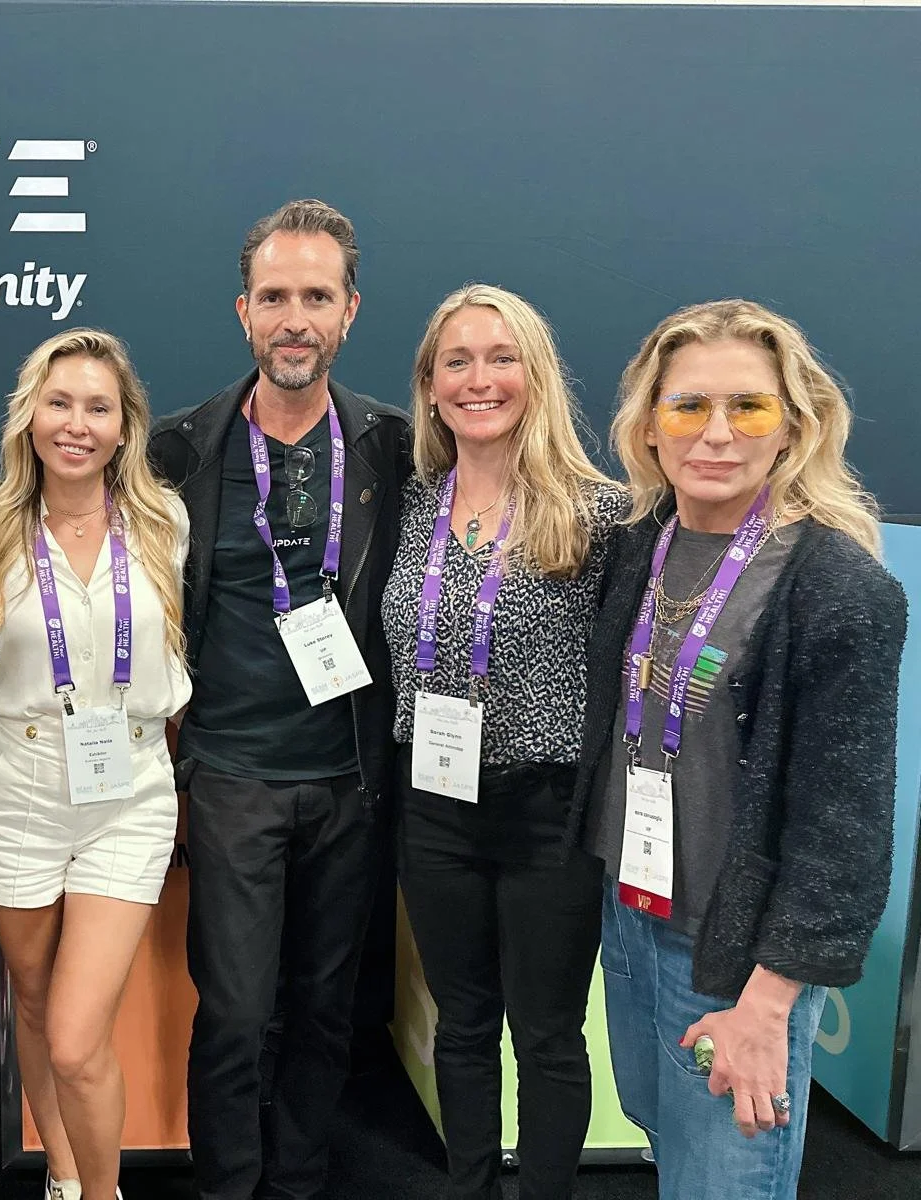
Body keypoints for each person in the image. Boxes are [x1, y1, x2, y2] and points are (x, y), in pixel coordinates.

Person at [568, 299, 907, 1198]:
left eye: (748, 407)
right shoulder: (639, 549)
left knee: (725, 1178)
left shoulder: (838, 588)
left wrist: (769, 1002)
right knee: (664, 1133)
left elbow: (847, 829)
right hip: (631, 914)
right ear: (648, 425)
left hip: (734, 955)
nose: (716, 433)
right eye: (689, 406)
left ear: (795, 425)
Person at [148, 198, 410, 1200]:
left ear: (349, 311)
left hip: (350, 780)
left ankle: (298, 1180)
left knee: (326, 1011)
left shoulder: (395, 449)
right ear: (241, 313)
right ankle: (227, 1188)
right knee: (233, 1015)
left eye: (315, 296)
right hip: (230, 778)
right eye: (273, 297)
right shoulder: (178, 451)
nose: (293, 317)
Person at [381, 284, 622, 1200]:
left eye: (501, 357)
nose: (480, 380)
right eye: (457, 361)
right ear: (431, 385)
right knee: (464, 1026)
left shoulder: (599, 516)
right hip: (433, 805)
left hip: (547, 814)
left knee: (550, 1035)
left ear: (537, 374)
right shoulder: (413, 508)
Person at [0, 329, 191, 1200]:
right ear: (30, 415)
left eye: (100, 407)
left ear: (126, 425)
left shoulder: (167, 521)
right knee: (31, 997)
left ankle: (103, 1193)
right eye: (60, 403)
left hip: (130, 789)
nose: (78, 424)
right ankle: (60, 1175)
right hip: (19, 787)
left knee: (76, 1036)